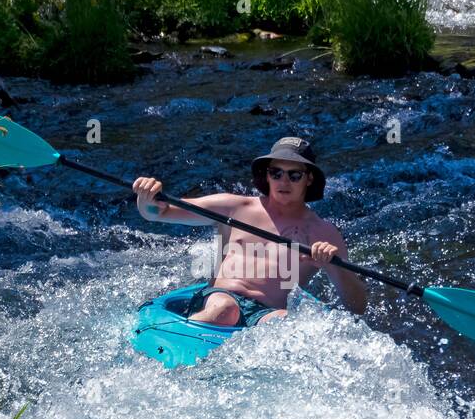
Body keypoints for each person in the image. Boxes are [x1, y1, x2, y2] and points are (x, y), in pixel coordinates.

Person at [132, 137, 367, 325]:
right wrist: (147, 196)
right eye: (276, 173)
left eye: (294, 175)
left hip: (267, 314)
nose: (283, 181)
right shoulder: (235, 207)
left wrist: (332, 266)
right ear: (267, 175)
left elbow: (357, 306)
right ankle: (174, 335)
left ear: (309, 179)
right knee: (226, 311)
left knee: (290, 325)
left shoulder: (323, 232)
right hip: (220, 299)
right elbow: (158, 212)